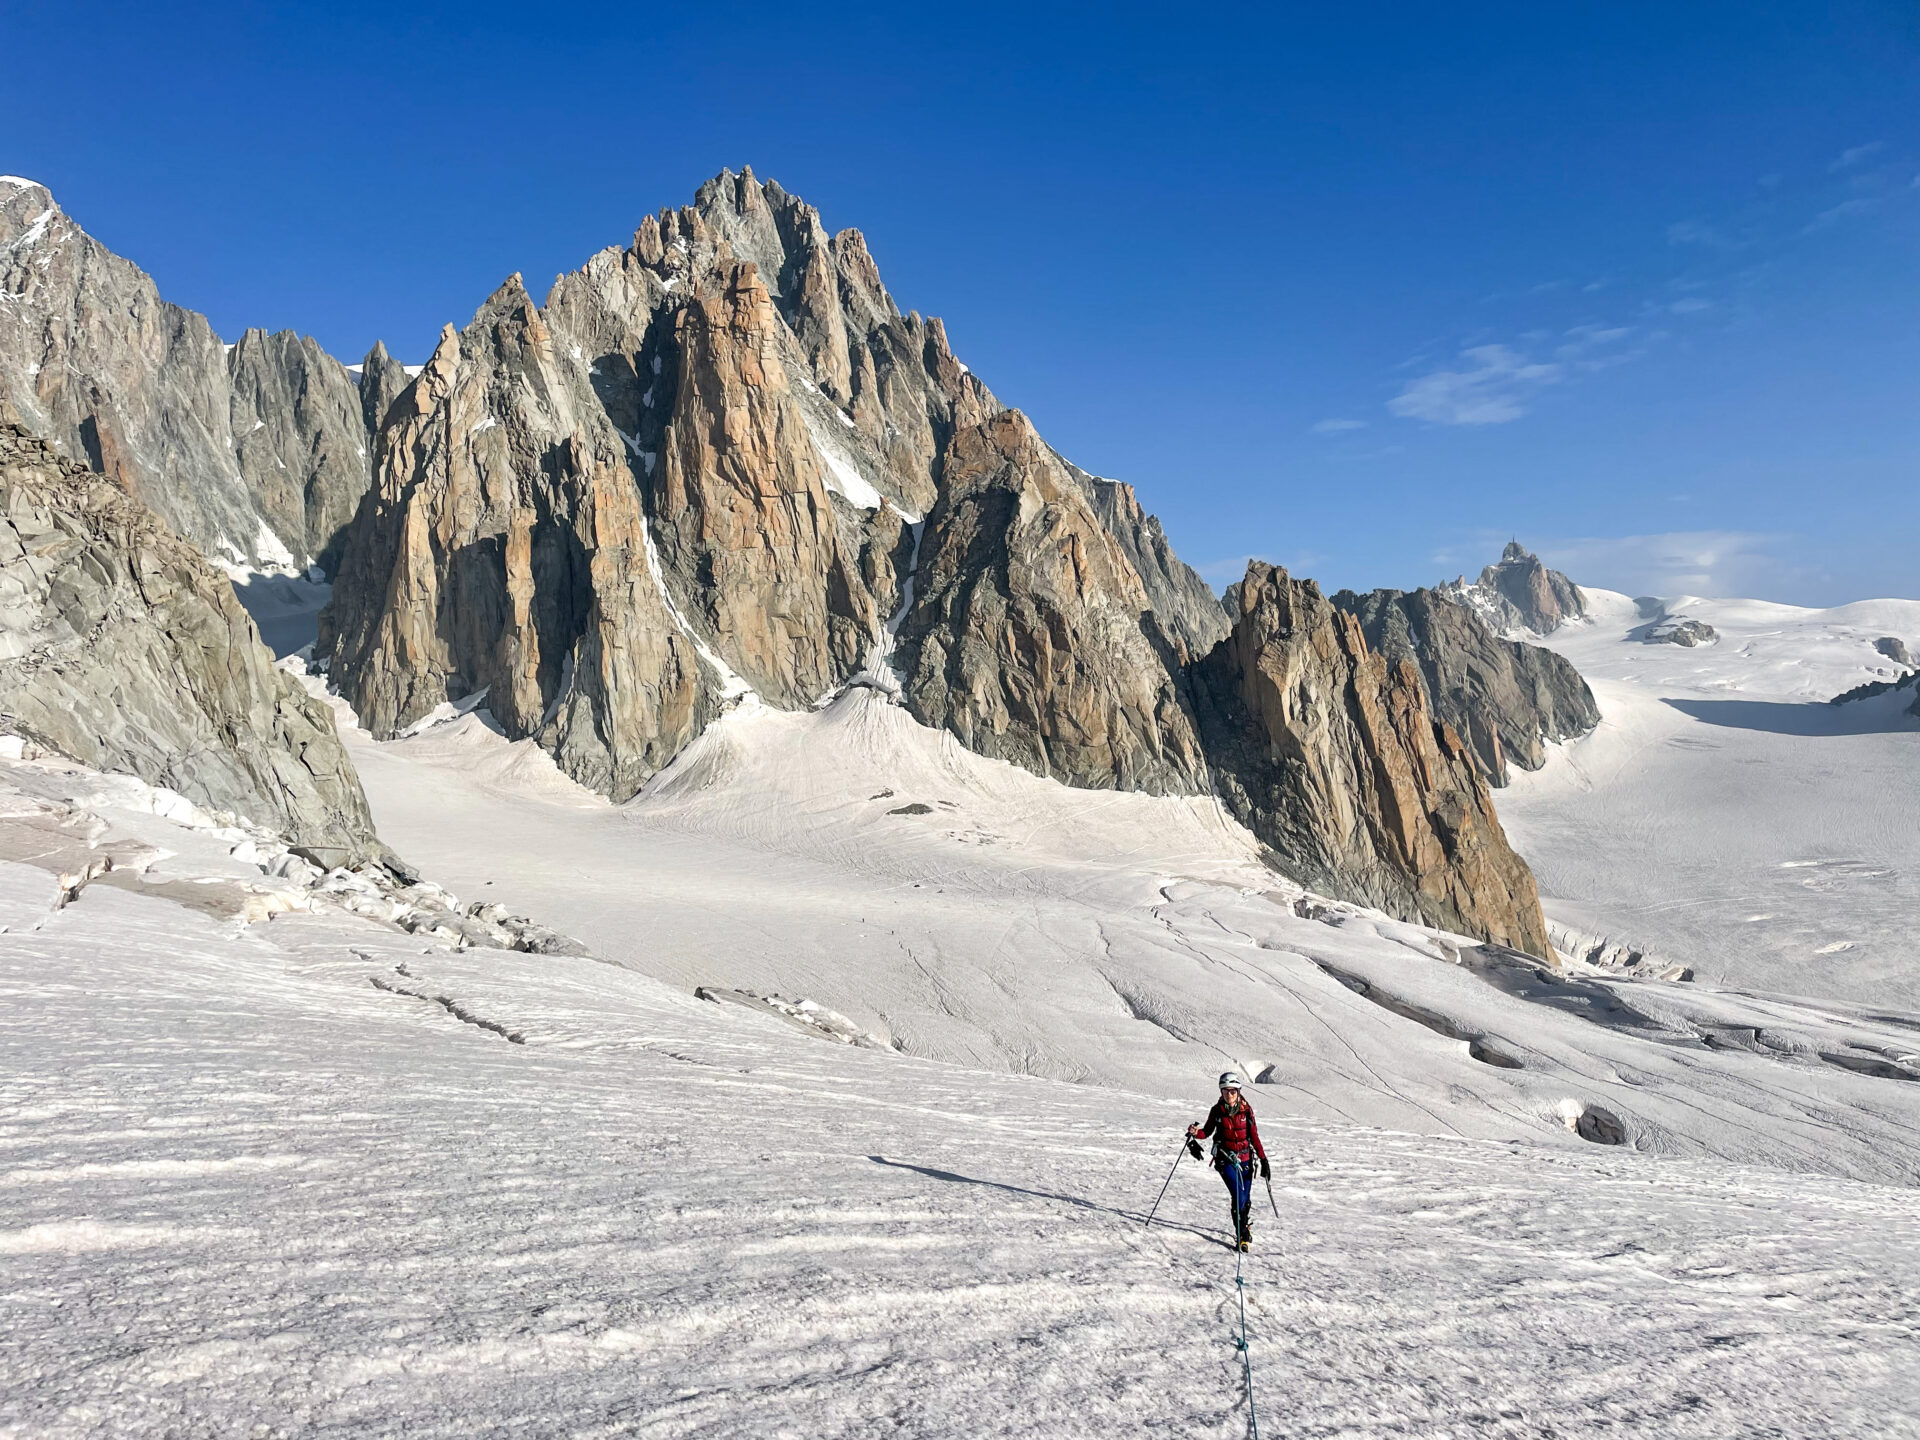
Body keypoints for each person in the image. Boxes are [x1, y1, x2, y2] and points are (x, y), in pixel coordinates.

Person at [1187, 1071, 1268, 1250]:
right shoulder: (1217, 1111)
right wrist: (1195, 1133)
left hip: (1246, 1159)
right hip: (1225, 1159)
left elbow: (1254, 1136)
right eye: (1225, 1091)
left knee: (1245, 1199)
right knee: (1238, 1195)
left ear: (1238, 1091)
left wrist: (1264, 1159)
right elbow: (1206, 1132)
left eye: (1232, 1091)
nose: (1229, 1095)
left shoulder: (1246, 1110)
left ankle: (1244, 1227)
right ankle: (1242, 1236)